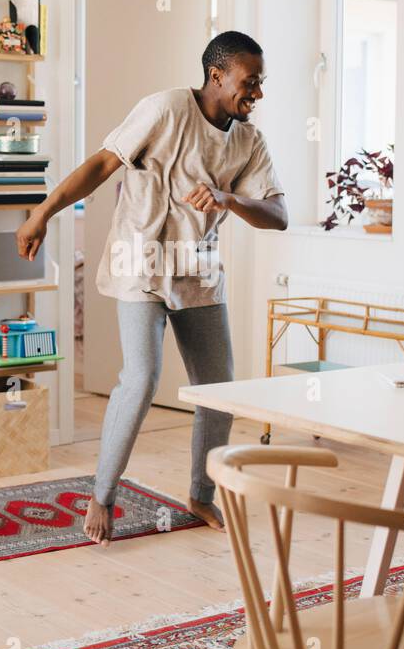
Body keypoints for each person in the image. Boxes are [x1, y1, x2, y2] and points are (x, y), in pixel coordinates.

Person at [17, 31, 287, 545]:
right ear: (217, 75)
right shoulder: (166, 109)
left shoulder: (249, 141)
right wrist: (42, 213)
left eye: (260, 84)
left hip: (198, 271)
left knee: (219, 388)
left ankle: (201, 494)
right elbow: (102, 164)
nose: (257, 94)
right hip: (140, 263)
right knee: (141, 378)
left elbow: (278, 215)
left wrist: (227, 198)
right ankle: (101, 495)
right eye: (249, 83)